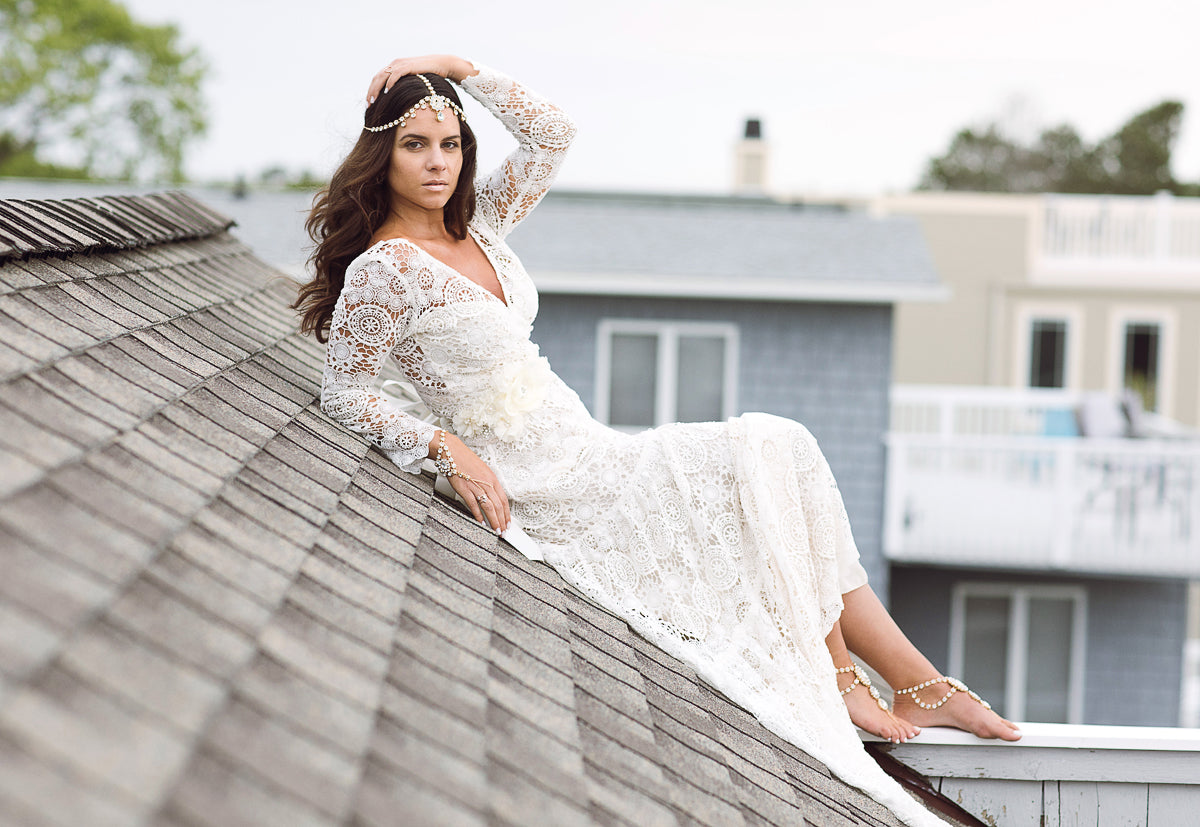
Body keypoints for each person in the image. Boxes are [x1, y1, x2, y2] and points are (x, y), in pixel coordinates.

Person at [293, 55, 1020, 827]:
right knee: (768, 447)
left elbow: (551, 135)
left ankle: (889, 677)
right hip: (548, 486)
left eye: (451, 143)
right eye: (415, 145)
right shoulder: (385, 269)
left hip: (591, 448)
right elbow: (346, 392)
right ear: (383, 154)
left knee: (785, 448)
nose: (437, 162)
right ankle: (862, 676)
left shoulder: (483, 226)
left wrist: (455, 68)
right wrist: (443, 443)